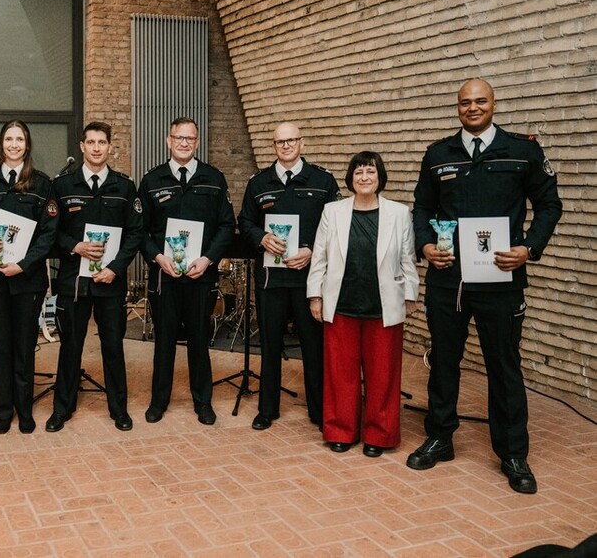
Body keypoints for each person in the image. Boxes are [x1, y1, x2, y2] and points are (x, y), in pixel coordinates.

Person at [409, 78, 562, 494]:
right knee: (443, 361)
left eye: (480, 101)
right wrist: (425, 244)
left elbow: (550, 203)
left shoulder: (522, 150)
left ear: (493, 104)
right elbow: (422, 206)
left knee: (504, 365)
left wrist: (529, 248)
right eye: (465, 103)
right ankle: (440, 437)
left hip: (501, 279)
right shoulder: (439, 154)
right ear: (457, 108)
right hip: (449, 279)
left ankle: (513, 453)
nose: (472, 108)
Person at [306, 152, 419, 457]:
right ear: (350, 179)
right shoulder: (333, 212)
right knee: (340, 374)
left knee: (383, 375)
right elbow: (320, 256)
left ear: (380, 176)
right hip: (340, 303)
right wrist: (315, 295)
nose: (364, 177)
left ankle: (378, 435)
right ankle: (341, 430)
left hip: (383, 305)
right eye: (358, 173)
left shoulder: (399, 213)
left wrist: (410, 294)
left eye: (370, 171)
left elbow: (408, 258)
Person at [237, 122, 339, 431]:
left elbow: (334, 226)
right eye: (280, 142)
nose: (286, 146)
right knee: (269, 344)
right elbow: (245, 221)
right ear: (274, 145)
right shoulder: (259, 182)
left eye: (291, 140)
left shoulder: (323, 180)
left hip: (310, 279)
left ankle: (319, 410)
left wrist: (310, 250)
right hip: (271, 280)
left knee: (313, 346)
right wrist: (261, 238)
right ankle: (267, 409)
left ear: (302, 143)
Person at [45, 122, 144, 433]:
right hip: (74, 279)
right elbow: (51, 232)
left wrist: (114, 267)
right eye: (91, 142)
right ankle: (62, 408)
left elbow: (135, 233)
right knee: (70, 346)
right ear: (82, 146)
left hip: (109, 282)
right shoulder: (62, 186)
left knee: (113, 346)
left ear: (110, 147)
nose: (97, 147)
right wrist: (74, 245)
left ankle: (119, 410)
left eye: (102, 142)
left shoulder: (125, 187)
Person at [138, 117, 235, 425]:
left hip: (200, 275)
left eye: (189, 138)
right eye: (178, 137)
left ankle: (202, 402)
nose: (183, 143)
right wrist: (156, 257)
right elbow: (139, 230)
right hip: (163, 277)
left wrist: (208, 259)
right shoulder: (152, 180)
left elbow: (226, 226)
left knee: (199, 340)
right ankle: (158, 401)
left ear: (197, 143)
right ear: (168, 141)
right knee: (163, 341)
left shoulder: (213, 178)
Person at [0, 120, 58, 434]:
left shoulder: (43, 184)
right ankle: (3, 411)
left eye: (20, 139)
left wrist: (24, 264)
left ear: (27, 144)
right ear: (1, 143)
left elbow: (48, 235)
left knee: (24, 346)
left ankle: (25, 408)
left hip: (27, 279)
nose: (14, 144)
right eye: (9, 139)